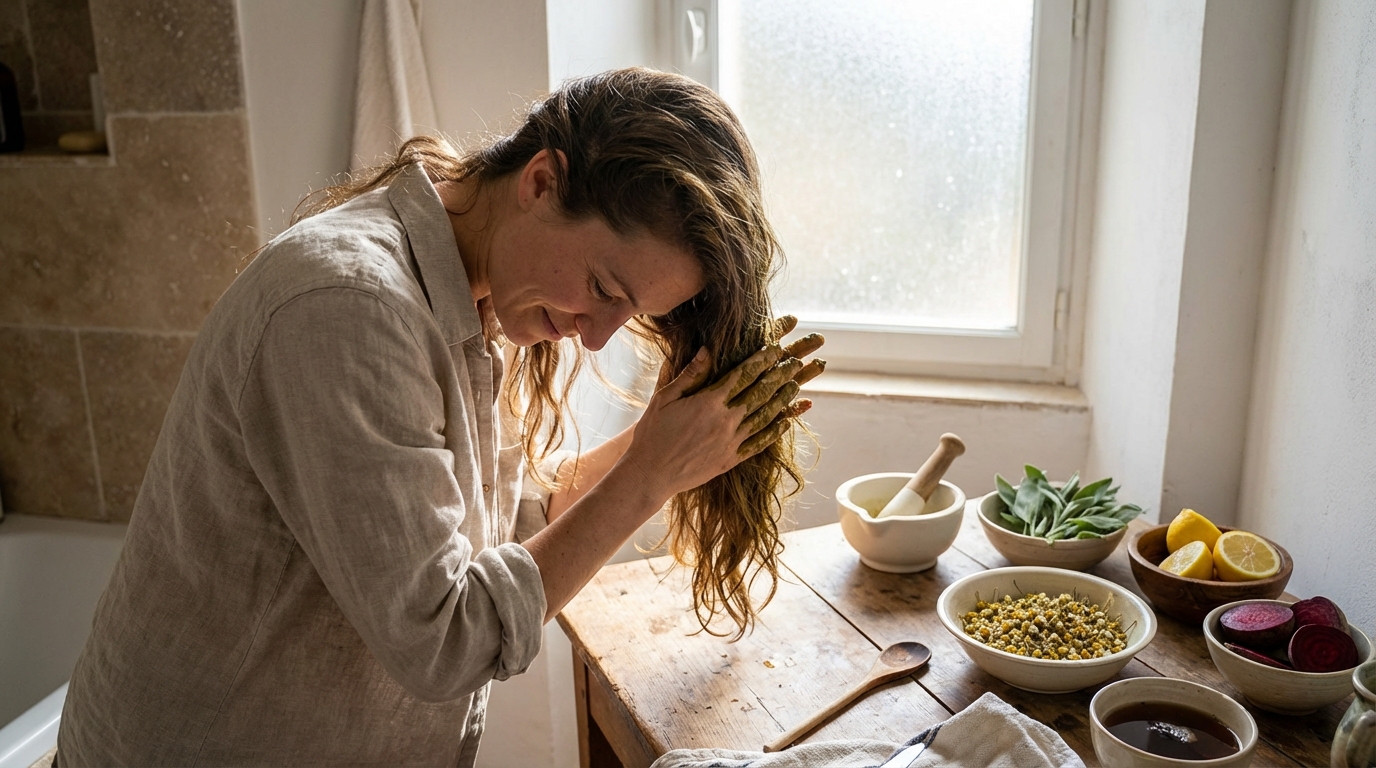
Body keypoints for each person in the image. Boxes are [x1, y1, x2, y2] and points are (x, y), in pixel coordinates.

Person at [55, 68, 823, 766]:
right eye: (603, 287)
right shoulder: (349, 309)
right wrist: (650, 476)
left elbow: (516, 528)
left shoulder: (478, 298)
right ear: (542, 181)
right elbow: (444, 641)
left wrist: (672, 437)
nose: (596, 337)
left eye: (632, 314)